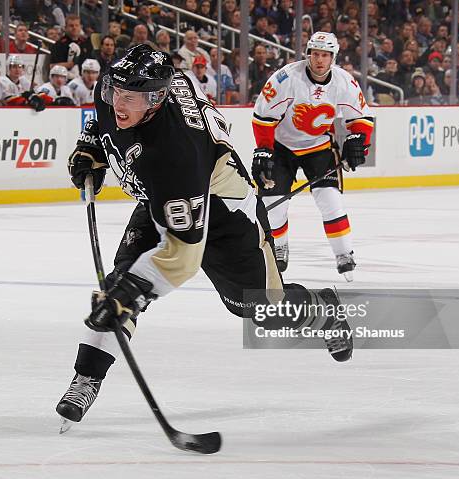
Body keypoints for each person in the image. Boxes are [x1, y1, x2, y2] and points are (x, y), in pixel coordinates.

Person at [55, 44, 353, 429]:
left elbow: (182, 255)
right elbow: (102, 121)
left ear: (157, 98)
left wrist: (133, 291)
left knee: (261, 310)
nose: (118, 104)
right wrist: (91, 147)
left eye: (130, 98)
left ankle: (323, 309)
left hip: (224, 213)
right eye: (116, 93)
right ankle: (87, 377)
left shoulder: (175, 151)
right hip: (162, 197)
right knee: (120, 286)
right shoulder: (118, 85)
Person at [251, 32, 373, 280]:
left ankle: (344, 253)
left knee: (331, 200)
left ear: (333, 58)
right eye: (315, 54)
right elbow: (263, 115)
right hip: (282, 146)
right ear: (308, 54)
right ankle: (280, 245)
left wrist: (359, 139)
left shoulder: (344, 82)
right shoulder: (286, 78)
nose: (319, 60)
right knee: (273, 207)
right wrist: (264, 147)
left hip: (318, 147)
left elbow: (361, 118)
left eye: (325, 55)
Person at [49, 14, 91, 80]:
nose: (74, 28)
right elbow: (52, 66)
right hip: (64, 80)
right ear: (65, 27)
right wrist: (69, 64)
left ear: (80, 27)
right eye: (71, 26)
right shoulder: (59, 44)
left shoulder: (86, 43)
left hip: (85, 79)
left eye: (77, 25)